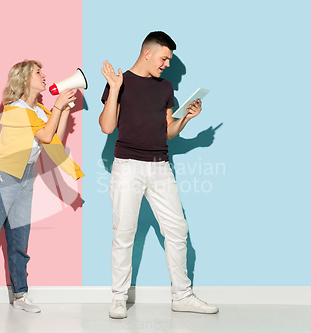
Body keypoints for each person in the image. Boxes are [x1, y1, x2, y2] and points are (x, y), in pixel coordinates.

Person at [99, 31, 219, 319]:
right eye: (164, 58)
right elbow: (106, 127)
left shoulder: (165, 88)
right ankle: (118, 299)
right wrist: (114, 88)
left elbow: (167, 132)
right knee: (124, 233)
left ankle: (182, 296)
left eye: (169, 60)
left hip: (160, 167)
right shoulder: (120, 82)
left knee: (177, 230)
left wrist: (186, 118)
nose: (167, 64)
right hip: (127, 165)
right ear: (148, 53)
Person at [0, 60, 84, 315]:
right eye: (38, 72)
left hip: (25, 179)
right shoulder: (13, 109)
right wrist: (58, 106)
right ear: (24, 79)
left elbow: (53, 139)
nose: (44, 75)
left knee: (19, 241)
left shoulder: (38, 111)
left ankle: (20, 295)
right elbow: (45, 136)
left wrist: (64, 110)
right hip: (2, 178)